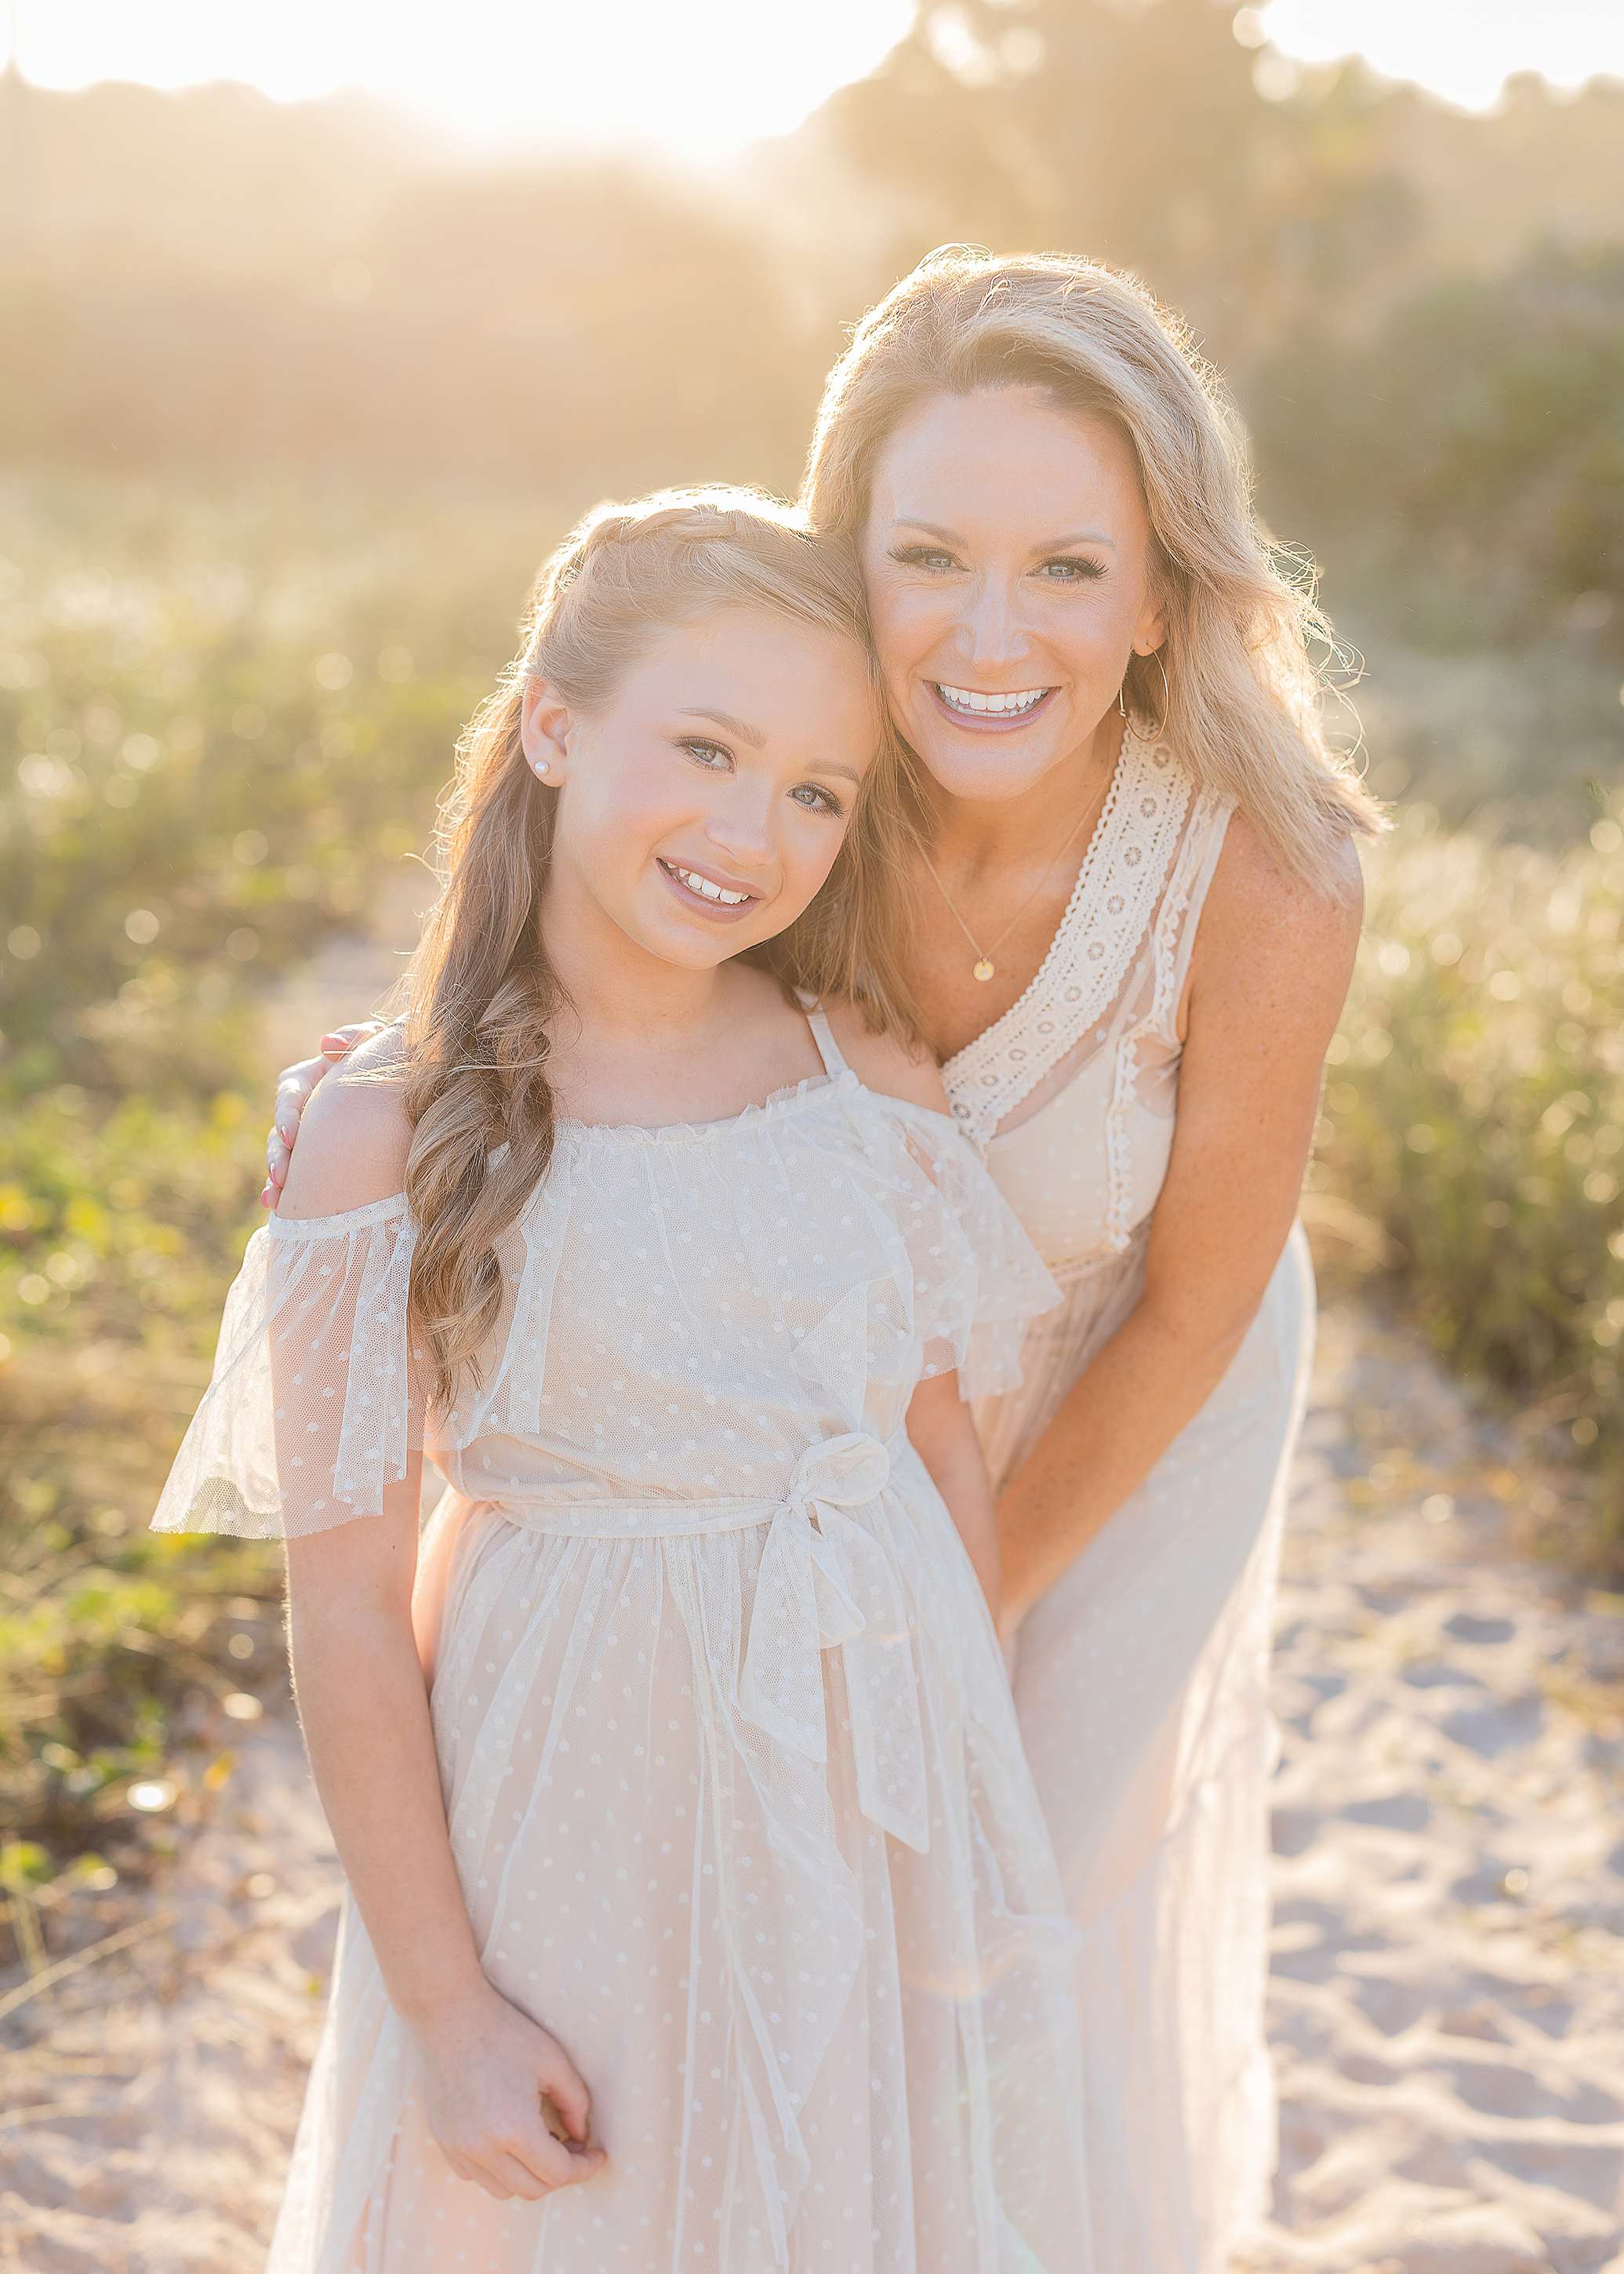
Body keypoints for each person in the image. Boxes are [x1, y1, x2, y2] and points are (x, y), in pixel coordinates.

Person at [265, 252, 1375, 2274]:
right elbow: (592, 991)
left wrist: (921, 1638)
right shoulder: (811, 788)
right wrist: (401, 1076)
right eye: (928, 553)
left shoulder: (1260, 864)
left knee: (1013, 1920)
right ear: (841, 548)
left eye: (1067, 566)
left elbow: (1198, 1298)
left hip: (1127, 1398)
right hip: (779, 1392)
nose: (987, 631)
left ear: (1158, 593)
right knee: (725, 1944)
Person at [156, 490, 1087, 2273]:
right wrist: (447, 2013)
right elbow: (345, 1610)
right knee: (597, 2193)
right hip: (572, 1786)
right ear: (555, 724)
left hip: (850, 1781)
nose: (757, 829)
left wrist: (964, 1807)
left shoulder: (861, 1065)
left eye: (817, 790)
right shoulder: (385, 1130)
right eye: (708, 749)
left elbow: (939, 1457)